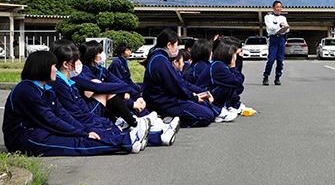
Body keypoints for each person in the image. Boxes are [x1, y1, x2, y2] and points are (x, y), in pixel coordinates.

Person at [2, 51, 149, 156]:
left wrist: (83, 130)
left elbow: (62, 115)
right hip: (23, 137)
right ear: (42, 68)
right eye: (53, 66)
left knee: (84, 135)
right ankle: (128, 141)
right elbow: (49, 120)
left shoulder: (47, 89)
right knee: (75, 143)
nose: (55, 69)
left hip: (40, 128)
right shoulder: (26, 90)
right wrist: (82, 132)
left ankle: (128, 139)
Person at [50, 40, 178, 146]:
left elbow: (120, 82)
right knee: (114, 132)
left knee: (119, 128)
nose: (79, 64)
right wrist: (129, 100)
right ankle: (140, 125)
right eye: (76, 60)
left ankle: (148, 125)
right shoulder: (70, 79)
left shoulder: (93, 72)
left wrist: (134, 94)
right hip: (89, 117)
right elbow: (98, 92)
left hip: (90, 116)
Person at [142, 29, 235, 127]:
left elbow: (180, 83)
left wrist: (198, 93)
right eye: (176, 45)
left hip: (167, 100)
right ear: (169, 45)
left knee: (204, 107)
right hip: (164, 103)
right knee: (206, 116)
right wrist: (193, 97)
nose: (177, 49)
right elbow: (176, 86)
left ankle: (218, 112)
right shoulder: (160, 61)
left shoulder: (161, 59)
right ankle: (167, 122)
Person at [263, 0, 289, 86]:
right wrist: (280, 25)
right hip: (273, 38)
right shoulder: (268, 17)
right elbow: (270, 27)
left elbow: (287, 28)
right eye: (277, 7)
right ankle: (266, 76)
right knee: (271, 59)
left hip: (281, 39)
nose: (279, 9)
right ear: (273, 8)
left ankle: (277, 78)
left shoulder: (283, 18)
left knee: (280, 60)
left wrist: (285, 27)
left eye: (280, 7)